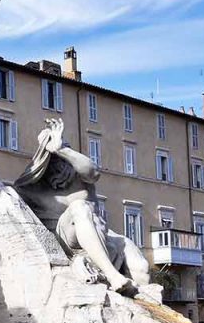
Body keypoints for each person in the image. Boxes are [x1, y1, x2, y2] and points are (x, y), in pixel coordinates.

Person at [14, 118, 149, 296]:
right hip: (68, 241)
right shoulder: (32, 189)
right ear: (43, 162)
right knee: (79, 207)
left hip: (102, 234)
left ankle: (145, 298)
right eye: (53, 160)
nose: (60, 165)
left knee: (141, 268)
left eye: (63, 160)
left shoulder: (81, 178)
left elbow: (93, 171)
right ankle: (112, 275)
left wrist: (61, 149)